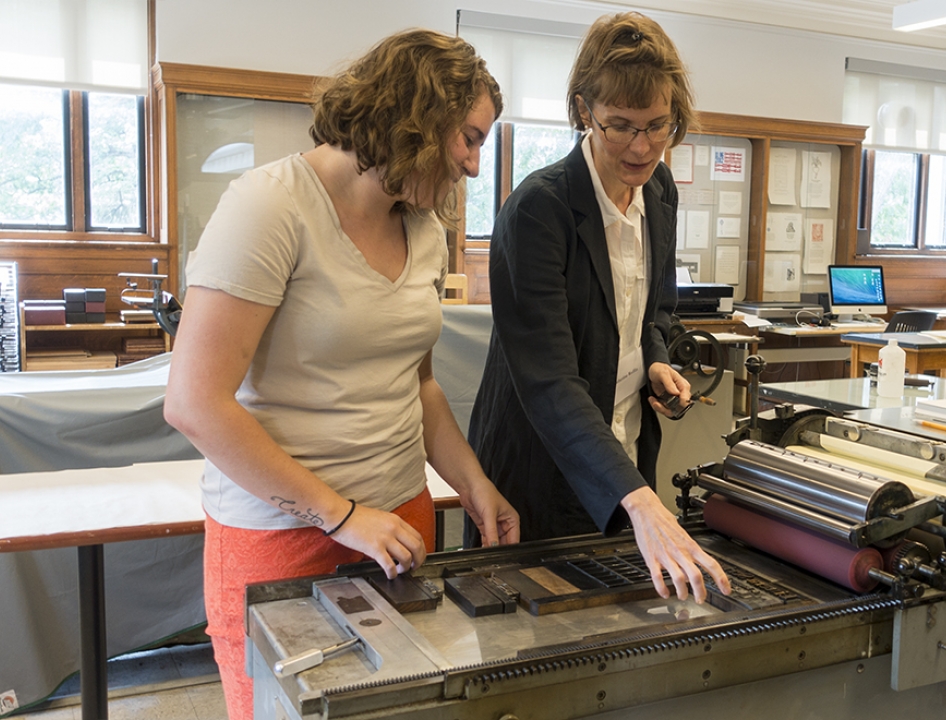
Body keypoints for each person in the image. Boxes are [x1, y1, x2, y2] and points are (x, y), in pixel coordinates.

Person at [164, 29, 519, 720]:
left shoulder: (421, 225)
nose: (474, 166)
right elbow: (195, 404)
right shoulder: (270, 207)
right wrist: (343, 515)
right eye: (468, 139)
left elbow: (417, 386)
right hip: (281, 535)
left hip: (396, 524)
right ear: (418, 115)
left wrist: (473, 485)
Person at [468, 12, 730, 604]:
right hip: (539, 473)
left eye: (657, 126)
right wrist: (638, 499)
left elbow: (656, 306)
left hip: (625, 455)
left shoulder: (659, 192)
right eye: (620, 127)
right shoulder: (539, 211)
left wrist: (657, 359)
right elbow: (550, 384)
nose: (641, 148)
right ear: (584, 111)